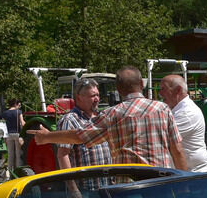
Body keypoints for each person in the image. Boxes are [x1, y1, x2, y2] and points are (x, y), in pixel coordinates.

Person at [31, 66, 186, 170]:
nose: (97, 99)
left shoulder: (112, 114)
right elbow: (177, 151)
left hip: (128, 189)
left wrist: (47, 137)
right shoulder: (163, 109)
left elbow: (79, 136)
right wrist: (184, 183)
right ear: (141, 84)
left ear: (118, 89)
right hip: (160, 183)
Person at [55, 79, 112, 198]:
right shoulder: (69, 120)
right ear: (79, 98)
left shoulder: (101, 118)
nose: (97, 99)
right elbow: (62, 155)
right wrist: (73, 189)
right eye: (92, 96)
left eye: (97, 95)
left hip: (108, 187)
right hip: (86, 190)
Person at [158, 74, 207, 172]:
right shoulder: (176, 109)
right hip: (186, 172)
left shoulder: (187, 113)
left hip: (194, 174)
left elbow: (159, 138)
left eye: (163, 89)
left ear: (178, 90)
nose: (159, 93)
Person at [1, 98, 24, 170]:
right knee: (18, 154)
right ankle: (18, 171)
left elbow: (2, 124)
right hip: (17, 134)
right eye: (18, 104)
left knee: (10, 155)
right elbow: (22, 123)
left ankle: (10, 172)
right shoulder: (18, 112)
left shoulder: (5, 113)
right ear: (15, 104)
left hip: (8, 135)